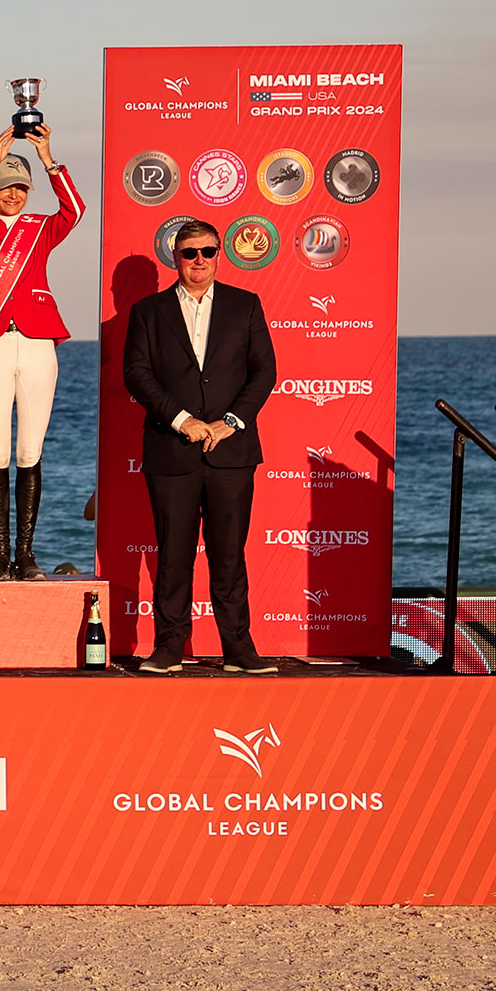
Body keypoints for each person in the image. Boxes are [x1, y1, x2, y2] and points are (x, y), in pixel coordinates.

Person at [122, 218, 278, 674]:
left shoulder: (245, 305)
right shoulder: (148, 312)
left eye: (207, 251)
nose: (199, 261)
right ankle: (169, 648)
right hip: (171, 449)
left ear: (218, 254)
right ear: (175, 257)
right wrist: (183, 420)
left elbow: (264, 372)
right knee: (173, 556)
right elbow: (137, 374)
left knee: (229, 555)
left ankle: (239, 650)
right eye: (189, 252)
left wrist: (229, 423)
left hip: (232, 452)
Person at [0, 124, 86, 580]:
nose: (13, 194)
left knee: (30, 449)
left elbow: (74, 209)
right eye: (6, 186)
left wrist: (48, 159)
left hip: (36, 342)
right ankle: (1, 555)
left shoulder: (41, 228)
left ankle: (26, 554)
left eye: (21, 187)